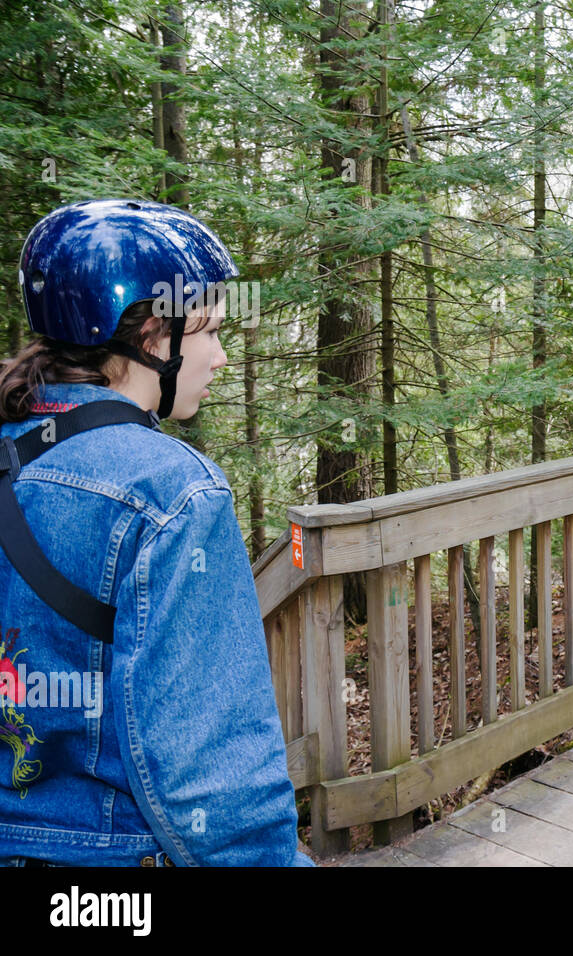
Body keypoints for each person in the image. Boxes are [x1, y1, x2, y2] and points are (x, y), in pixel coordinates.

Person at [0, 199, 310, 866]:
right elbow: (211, 767)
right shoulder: (174, 492)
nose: (222, 358)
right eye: (211, 334)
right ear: (152, 337)